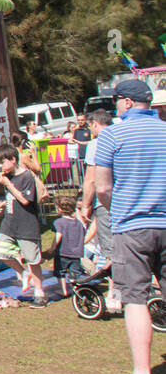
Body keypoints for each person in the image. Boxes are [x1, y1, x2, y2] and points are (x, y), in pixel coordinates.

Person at [94, 79, 166, 374]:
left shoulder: (112, 134)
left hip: (131, 226)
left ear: (124, 102)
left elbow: (102, 188)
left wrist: (118, 209)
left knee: (134, 298)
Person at [0, 144, 47, 308]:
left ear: (13, 160)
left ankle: (39, 293)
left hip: (26, 224)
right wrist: (1, 203)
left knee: (33, 260)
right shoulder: (8, 178)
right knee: (1, 253)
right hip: (9, 223)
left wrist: (8, 185)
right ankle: (24, 273)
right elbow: (13, 198)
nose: (0, 167)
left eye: (3, 162)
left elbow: (25, 200)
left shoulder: (26, 177)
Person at [78, 109, 119, 311]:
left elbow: (91, 179)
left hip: (106, 202)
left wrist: (86, 205)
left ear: (94, 124)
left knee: (111, 251)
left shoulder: (97, 143)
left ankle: (115, 294)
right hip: (129, 201)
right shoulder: (122, 134)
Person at [50, 196, 86, 299]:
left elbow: (58, 236)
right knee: (75, 273)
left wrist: (52, 248)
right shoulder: (79, 223)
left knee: (60, 272)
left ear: (60, 209)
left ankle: (63, 290)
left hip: (62, 253)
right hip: (76, 253)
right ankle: (78, 289)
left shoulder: (58, 222)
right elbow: (83, 235)